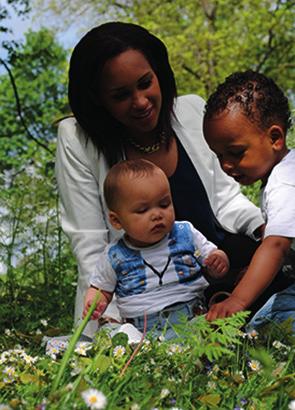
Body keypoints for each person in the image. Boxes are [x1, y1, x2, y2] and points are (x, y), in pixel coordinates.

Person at [55, 22, 265, 338]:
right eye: (121, 94)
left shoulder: (193, 111)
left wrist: (264, 228)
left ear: (159, 74)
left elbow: (226, 200)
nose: (140, 102)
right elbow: (91, 246)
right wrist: (114, 330)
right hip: (147, 299)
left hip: (218, 270)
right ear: (98, 99)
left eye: (145, 83)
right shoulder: (77, 140)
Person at [83, 159, 229, 339]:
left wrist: (218, 261)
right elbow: (101, 289)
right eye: (143, 210)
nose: (157, 214)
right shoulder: (115, 255)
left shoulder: (185, 233)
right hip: (141, 328)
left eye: (164, 204)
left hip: (191, 316)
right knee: (114, 334)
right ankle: (139, 349)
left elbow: (213, 259)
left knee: (214, 329)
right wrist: (96, 300)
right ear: (117, 221)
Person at [203, 70, 295, 331]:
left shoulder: (285, 181)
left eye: (235, 152)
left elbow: (276, 245)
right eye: (218, 155)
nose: (226, 165)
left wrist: (237, 300)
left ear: (275, 138)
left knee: (264, 326)